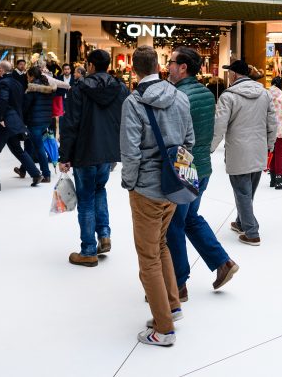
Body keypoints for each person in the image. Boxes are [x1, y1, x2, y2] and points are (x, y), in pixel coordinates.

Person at [120, 45, 194, 347]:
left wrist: (130, 183)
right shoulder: (180, 96)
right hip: (174, 188)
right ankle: (172, 306)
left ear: (134, 70)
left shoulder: (134, 102)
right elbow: (189, 141)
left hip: (146, 190)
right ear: (160, 66)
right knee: (161, 244)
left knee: (147, 257)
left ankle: (163, 330)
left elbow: (130, 150)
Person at [166, 47, 238, 298]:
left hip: (185, 166)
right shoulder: (208, 94)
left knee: (174, 224)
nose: (168, 66)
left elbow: (173, 136)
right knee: (190, 218)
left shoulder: (176, 95)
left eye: (171, 62)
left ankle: (178, 283)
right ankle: (222, 262)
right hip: (203, 165)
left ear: (183, 67)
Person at [59, 49, 129, 267]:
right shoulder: (120, 89)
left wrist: (65, 156)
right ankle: (104, 235)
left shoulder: (79, 89)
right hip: (108, 153)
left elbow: (70, 124)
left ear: (89, 65)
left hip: (84, 152)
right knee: (100, 190)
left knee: (86, 198)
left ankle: (88, 250)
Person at [210, 59, 276, 247]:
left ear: (234, 74)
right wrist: (270, 145)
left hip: (239, 151)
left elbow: (219, 125)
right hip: (259, 149)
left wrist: (210, 147)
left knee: (242, 192)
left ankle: (252, 232)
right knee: (248, 192)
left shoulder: (228, 96)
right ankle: (240, 222)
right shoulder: (264, 94)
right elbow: (272, 123)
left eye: (229, 72)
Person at [0, 61, 42, 192]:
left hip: (5, 123)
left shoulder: (3, 83)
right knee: (17, 149)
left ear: (1, 70)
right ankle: (36, 174)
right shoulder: (16, 83)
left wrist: (0, 117)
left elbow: (3, 100)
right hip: (14, 121)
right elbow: (18, 103)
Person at [21, 66, 56, 183]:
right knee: (29, 145)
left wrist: (22, 118)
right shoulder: (47, 87)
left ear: (32, 76)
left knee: (39, 147)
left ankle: (46, 174)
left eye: (28, 76)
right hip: (45, 120)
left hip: (34, 121)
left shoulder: (32, 88)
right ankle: (23, 169)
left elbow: (26, 106)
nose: (27, 78)